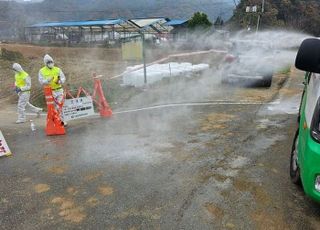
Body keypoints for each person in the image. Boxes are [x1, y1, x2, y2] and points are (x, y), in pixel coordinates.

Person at [38, 54, 66, 124]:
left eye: (51, 62)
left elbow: (63, 78)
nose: (50, 63)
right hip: (50, 92)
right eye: (48, 62)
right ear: (45, 63)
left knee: (60, 106)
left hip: (59, 90)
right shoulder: (42, 71)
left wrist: (60, 81)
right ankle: (54, 121)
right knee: (52, 107)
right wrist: (47, 80)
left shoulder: (57, 69)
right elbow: (41, 81)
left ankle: (62, 121)